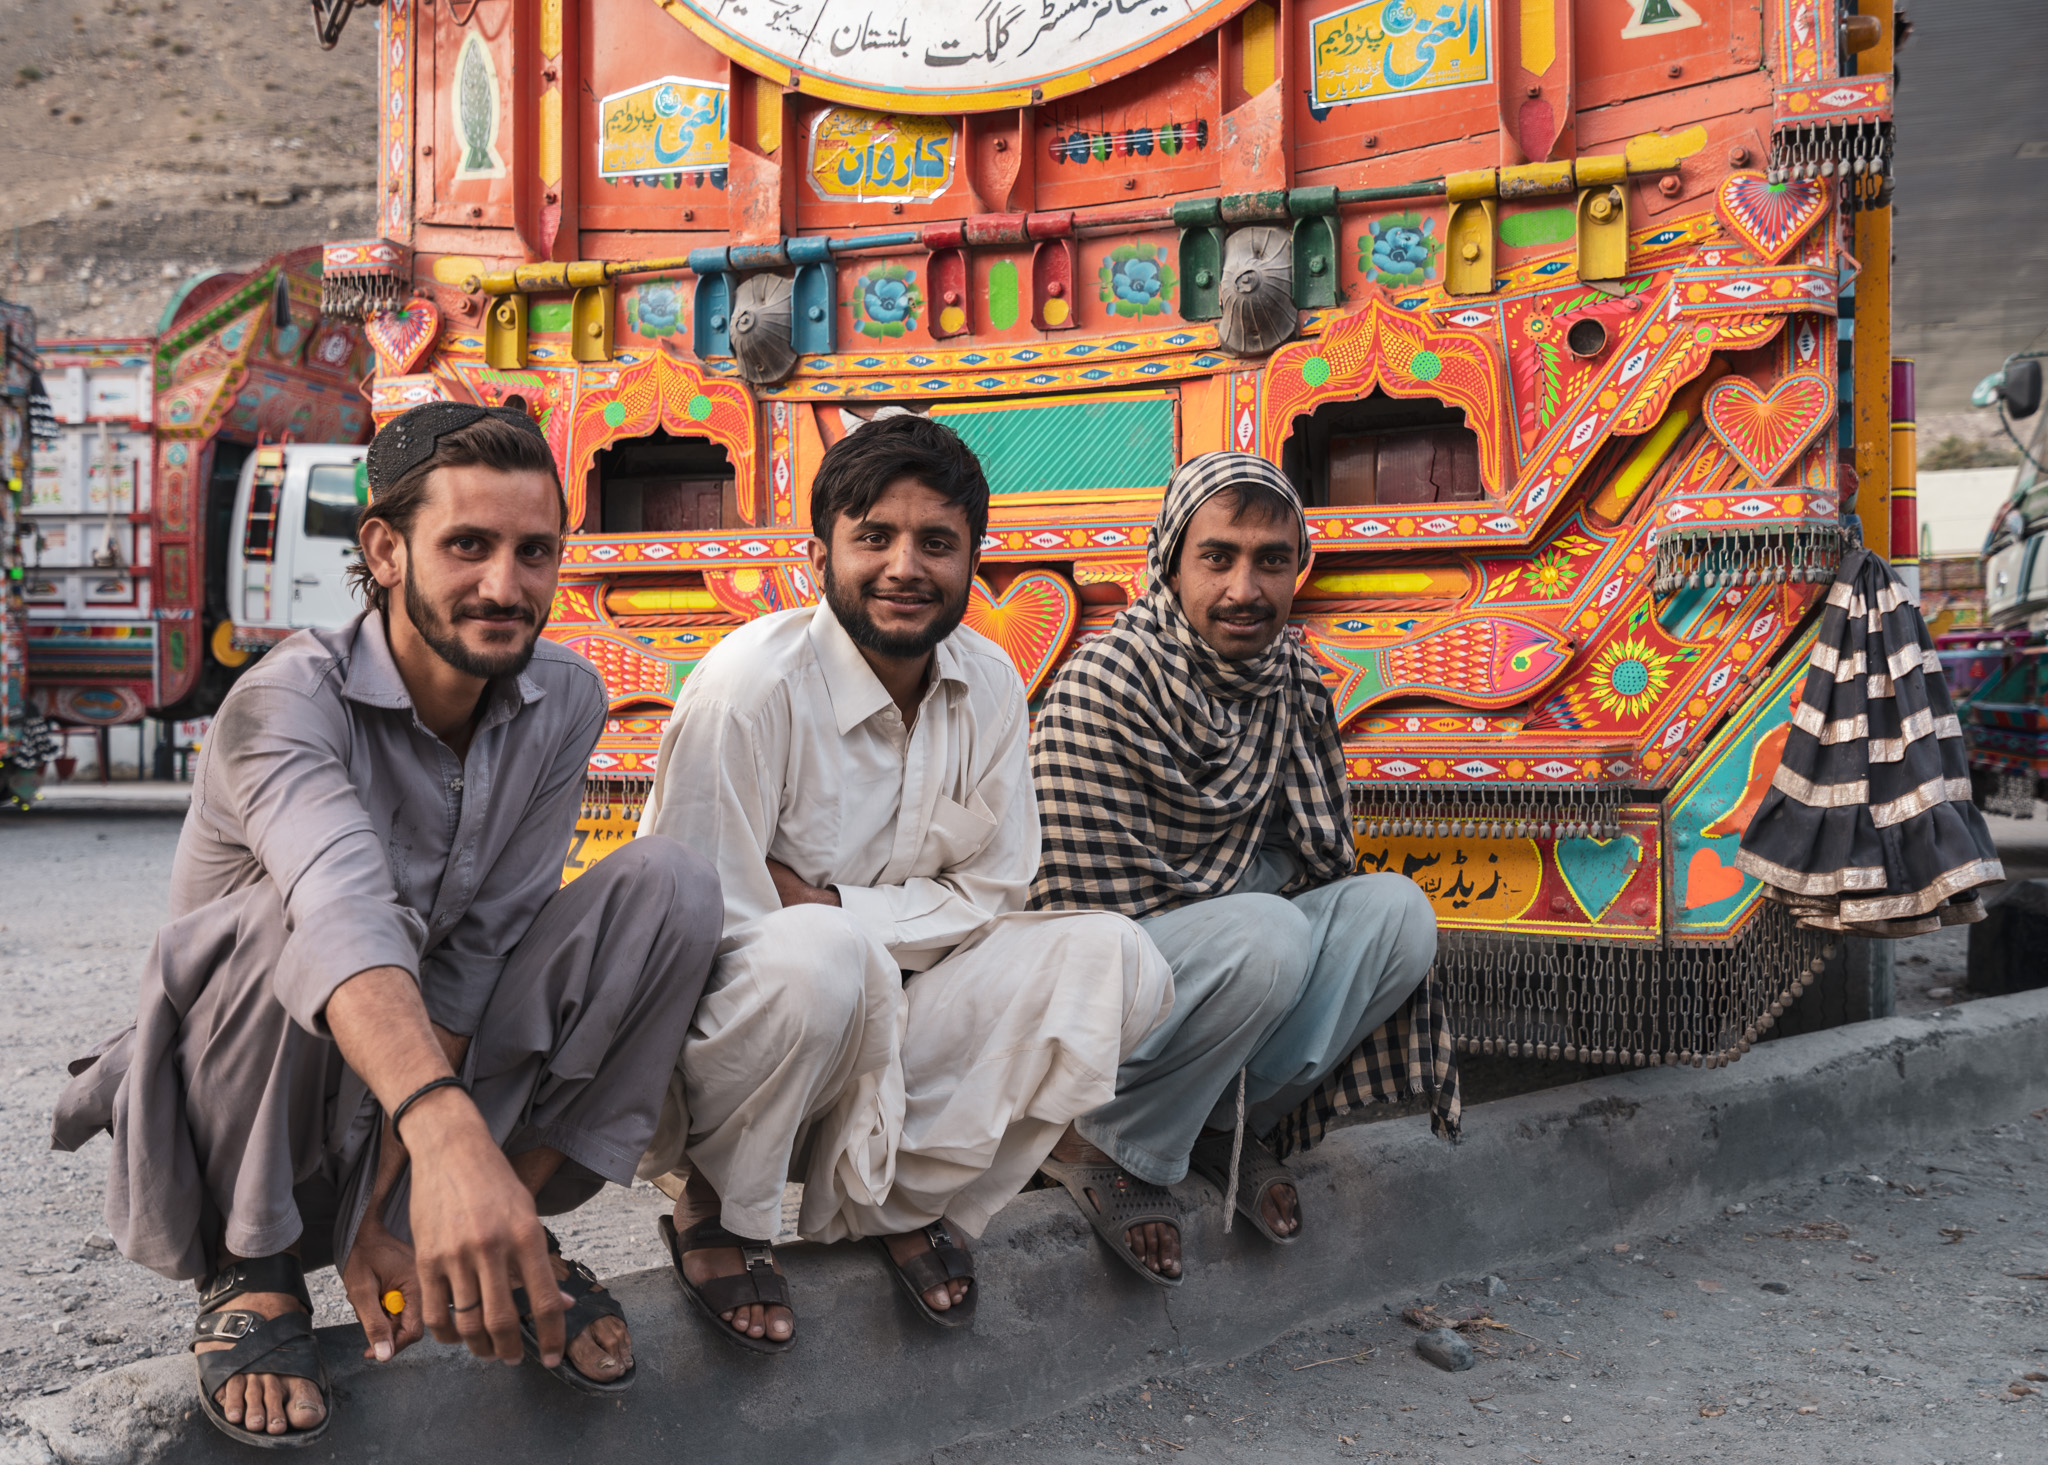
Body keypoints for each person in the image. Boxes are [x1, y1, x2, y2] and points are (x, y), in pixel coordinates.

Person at [52, 404, 722, 1446]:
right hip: (259, 1110)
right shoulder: (283, 704)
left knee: (671, 884)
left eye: (533, 551)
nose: (506, 586)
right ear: (383, 546)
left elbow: (479, 955)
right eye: (468, 545)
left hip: (417, 1100)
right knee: (296, 917)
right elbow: (341, 914)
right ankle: (255, 1268)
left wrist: (404, 1202)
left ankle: (489, 1226)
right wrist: (446, 1137)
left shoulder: (563, 700)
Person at [637, 414, 1171, 1347]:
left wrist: (838, 906)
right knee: (815, 960)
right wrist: (837, 932)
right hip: (747, 1046)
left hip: (895, 1011)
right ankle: (719, 1202)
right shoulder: (749, 691)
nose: (904, 567)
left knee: (1116, 959)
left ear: (975, 559)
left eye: (937, 542)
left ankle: (894, 1203)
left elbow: (993, 889)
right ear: (819, 556)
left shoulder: (992, 682)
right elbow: (701, 925)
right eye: (873, 537)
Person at [1027, 451, 1436, 1284]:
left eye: (1270, 560)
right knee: (1267, 933)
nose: (1245, 588)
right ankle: (1095, 1138)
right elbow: (1059, 917)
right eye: (1218, 557)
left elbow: (1309, 860)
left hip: (1218, 945)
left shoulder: (1290, 680)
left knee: (1396, 915)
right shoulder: (1107, 682)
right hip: (1089, 982)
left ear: (1298, 570)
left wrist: (1241, 901)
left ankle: (1218, 1121)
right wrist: (1237, 906)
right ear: (1171, 562)